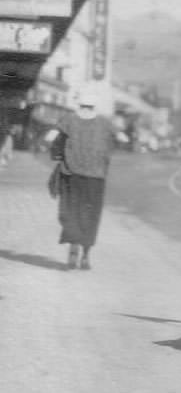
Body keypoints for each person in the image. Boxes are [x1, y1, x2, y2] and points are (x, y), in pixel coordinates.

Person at [51, 89, 118, 270]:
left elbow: (52, 140)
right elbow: (120, 139)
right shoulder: (105, 123)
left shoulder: (69, 120)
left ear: (79, 104)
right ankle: (86, 255)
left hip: (72, 175)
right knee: (91, 214)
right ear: (94, 105)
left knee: (71, 211)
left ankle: (73, 246)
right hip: (96, 177)